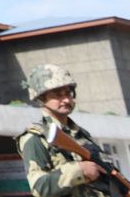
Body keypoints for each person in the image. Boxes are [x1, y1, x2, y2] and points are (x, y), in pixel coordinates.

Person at [16, 64, 110, 197]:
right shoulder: (35, 137)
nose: (66, 99)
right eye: (57, 95)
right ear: (41, 98)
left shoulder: (81, 134)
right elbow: (39, 188)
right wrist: (78, 170)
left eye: (68, 93)